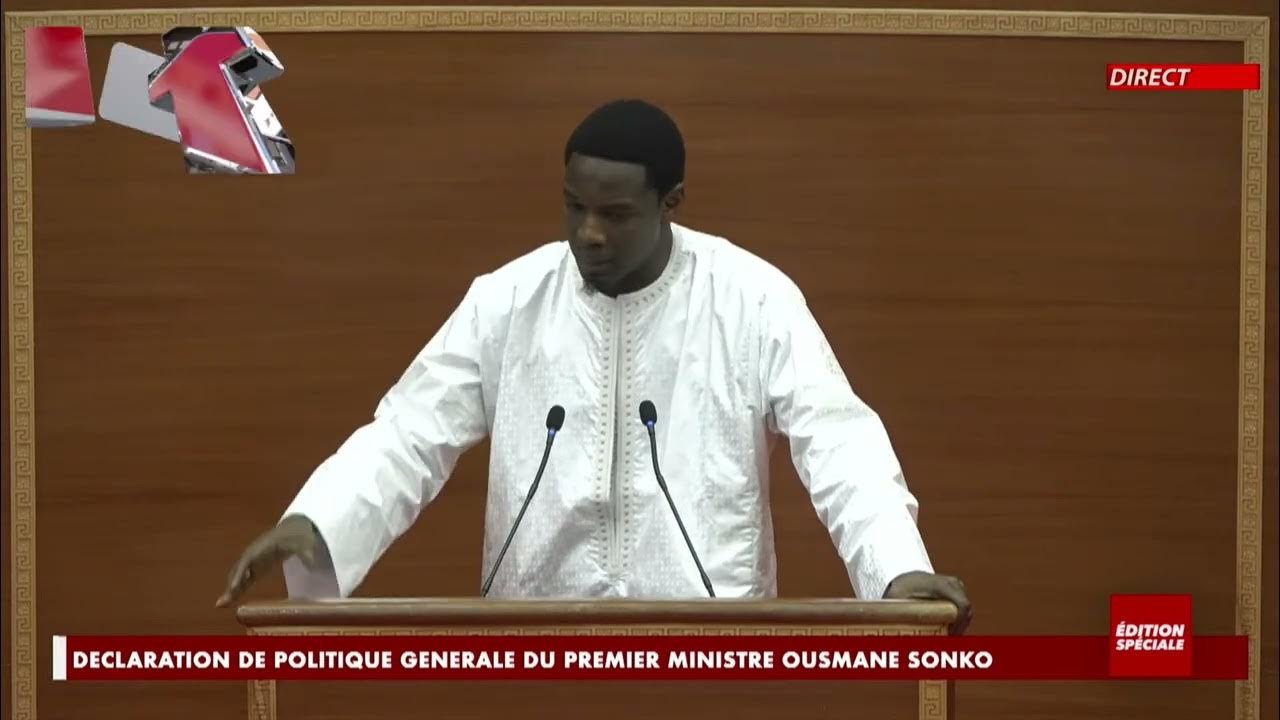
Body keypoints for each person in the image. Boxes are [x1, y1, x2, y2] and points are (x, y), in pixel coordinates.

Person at [217, 99, 971, 632]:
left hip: (713, 650)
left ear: (672, 201)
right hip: (535, 645)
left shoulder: (752, 300)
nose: (589, 233)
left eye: (616, 214)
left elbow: (839, 444)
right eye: (574, 206)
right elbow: (409, 434)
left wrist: (895, 569)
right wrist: (317, 521)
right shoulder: (509, 300)